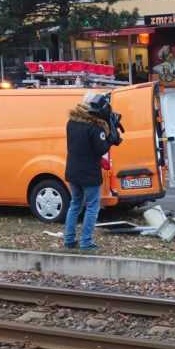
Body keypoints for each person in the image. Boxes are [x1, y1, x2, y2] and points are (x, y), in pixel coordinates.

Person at [64, 93, 122, 250]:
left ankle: (69, 240)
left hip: (72, 171)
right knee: (92, 207)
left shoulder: (71, 122)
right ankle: (86, 242)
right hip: (89, 173)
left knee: (75, 204)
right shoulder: (93, 127)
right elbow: (101, 149)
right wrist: (110, 138)